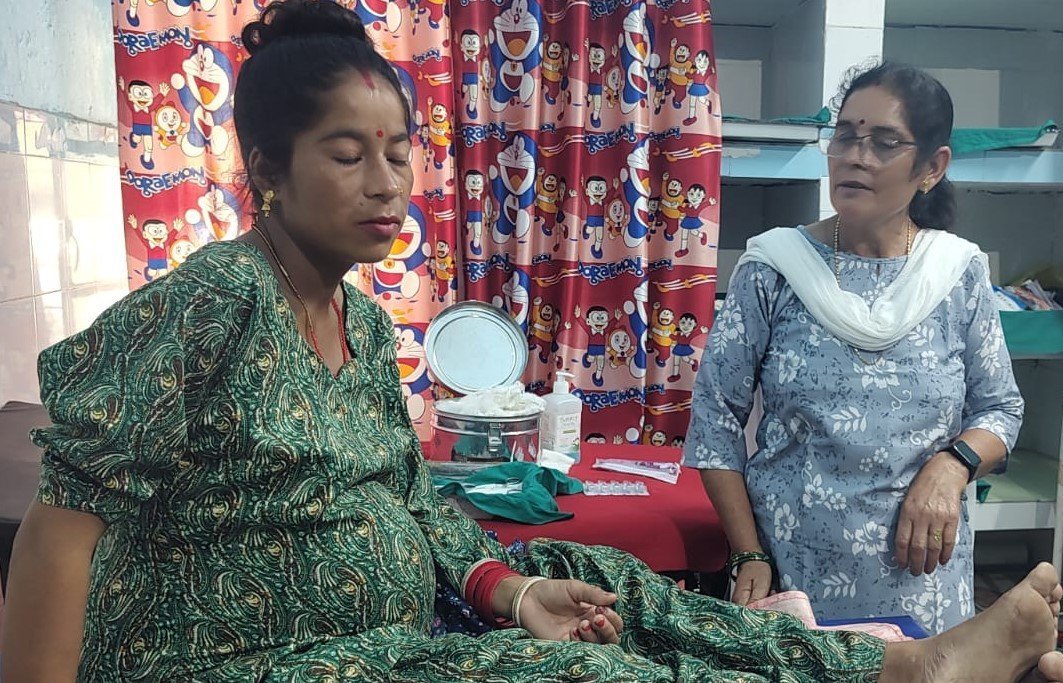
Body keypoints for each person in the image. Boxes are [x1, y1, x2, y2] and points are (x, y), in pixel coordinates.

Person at [3, 6, 1063, 680]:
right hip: (268, 656)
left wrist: (508, 591)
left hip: (391, 621)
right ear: (269, 167)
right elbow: (60, 531)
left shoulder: (360, 323)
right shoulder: (210, 306)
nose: (386, 183)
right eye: (347, 154)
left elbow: (412, 500)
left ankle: (891, 668)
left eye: (399, 153)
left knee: (601, 580)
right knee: (572, 673)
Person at [683, 62, 1026, 635]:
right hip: (790, 576)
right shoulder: (775, 267)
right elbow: (715, 421)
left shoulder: (955, 272)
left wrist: (952, 465)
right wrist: (747, 552)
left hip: (923, 580)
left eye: (885, 142)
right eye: (845, 136)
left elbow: (1001, 409)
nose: (855, 157)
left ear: (932, 168)